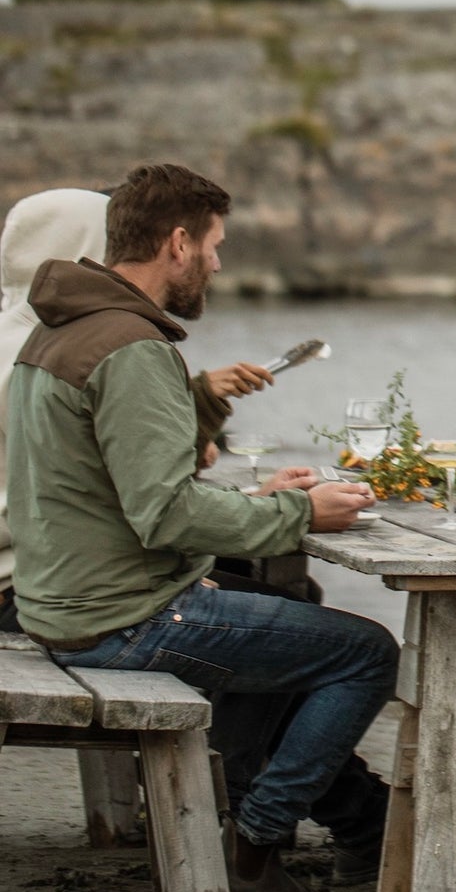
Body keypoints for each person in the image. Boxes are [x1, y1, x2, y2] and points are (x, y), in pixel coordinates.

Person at [5, 163, 387, 892]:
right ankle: (255, 843)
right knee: (365, 652)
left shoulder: (52, 334)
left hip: (64, 606)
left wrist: (257, 505)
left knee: (278, 619)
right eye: (214, 245)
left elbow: (113, 496)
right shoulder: (129, 346)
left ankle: (347, 827)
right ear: (177, 243)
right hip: (120, 621)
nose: (217, 261)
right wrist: (302, 514)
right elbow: (165, 513)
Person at [1, 188, 277, 630]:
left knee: (249, 581)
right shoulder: (75, 344)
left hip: (51, 582)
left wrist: (198, 397)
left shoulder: (41, 333)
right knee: (352, 645)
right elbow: (129, 495)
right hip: (40, 589)